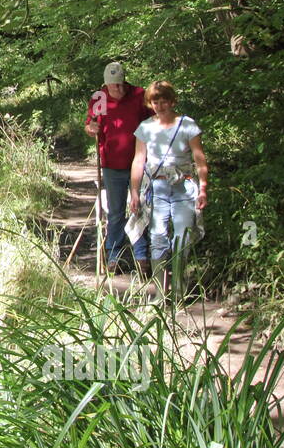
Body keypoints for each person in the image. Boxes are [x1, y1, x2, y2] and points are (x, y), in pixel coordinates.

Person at [129, 81, 209, 295]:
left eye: (165, 101)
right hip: (157, 187)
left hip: (183, 187)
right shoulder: (145, 128)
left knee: (182, 238)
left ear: (172, 101)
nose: (161, 106)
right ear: (150, 103)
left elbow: (199, 158)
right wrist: (134, 192)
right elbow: (139, 161)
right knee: (157, 238)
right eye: (156, 102)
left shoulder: (187, 125)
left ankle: (179, 292)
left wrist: (203, 189)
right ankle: (160, 293)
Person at [84, 62, 152, 275]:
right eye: (114, 86)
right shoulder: (99, 99)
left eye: (121, 85)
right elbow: (89, 124)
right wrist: (91, 127)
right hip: (112, 165)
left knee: (139, 209)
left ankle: (142, 256)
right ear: (106, 85)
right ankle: (114, 256)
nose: (119, 90)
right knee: (115, 212)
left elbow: (153, 122)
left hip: (139, 163)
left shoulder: (139, 95)